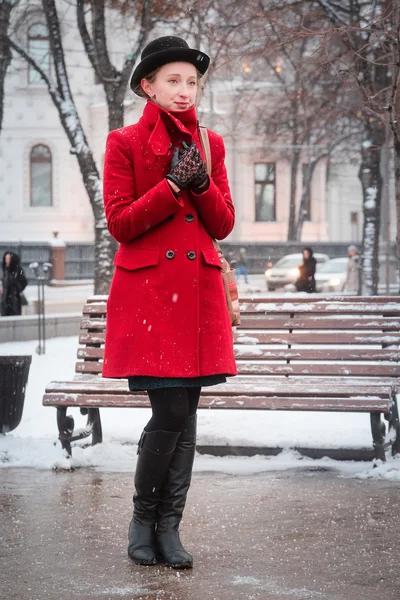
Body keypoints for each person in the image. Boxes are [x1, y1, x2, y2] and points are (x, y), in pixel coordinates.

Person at [102, 36, 237, 569]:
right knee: (171, 408)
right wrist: (171, 187)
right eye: (173, 81)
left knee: (188, 414)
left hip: (196, 296)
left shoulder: (211, 144)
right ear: (148, 86)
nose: (184, 91)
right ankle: (142, 518)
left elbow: (223, 223)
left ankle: (169, 527)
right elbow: (120, 224)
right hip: (153, 295)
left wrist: (200, 182)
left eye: (192, 82)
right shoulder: (125, 142)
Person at [1, 252, 27, 316]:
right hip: (5, 301)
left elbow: (23, 283)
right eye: (6, 259)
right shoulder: (5, 271)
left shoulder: (17, 270)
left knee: (14, 318)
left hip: (14, 300)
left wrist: (16, 288)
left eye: (8, 259)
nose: (6, 260)